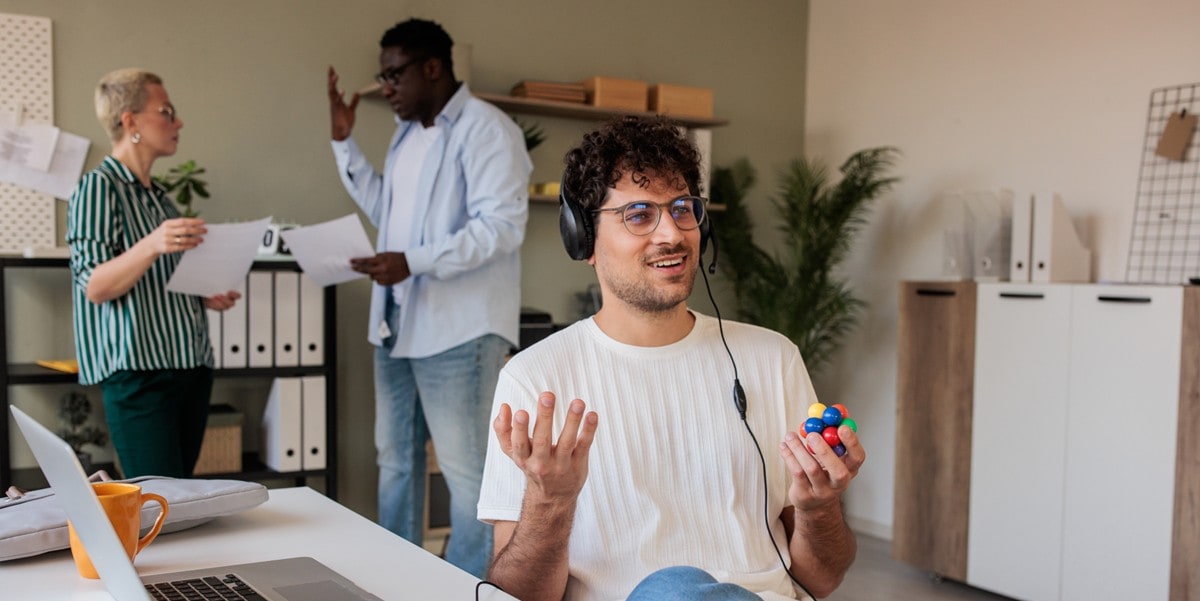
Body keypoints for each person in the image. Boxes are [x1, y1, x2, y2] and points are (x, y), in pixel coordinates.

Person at [478, 116, 866, 601]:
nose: (673, 234)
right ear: (583, 238)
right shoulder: (534, 380)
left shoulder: (773, 358)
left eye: (683, 209)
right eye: (639, 214)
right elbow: (516, 596)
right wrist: (550, 501)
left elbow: (822, 580)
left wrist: (818, 509)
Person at [326, 18, 530, 577]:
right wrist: (344, 143)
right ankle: (397, 579)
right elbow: (387, 211)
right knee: (395, 464)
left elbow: (502, 227)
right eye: (382, 76)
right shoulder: (406, 135)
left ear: (433, 68)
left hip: (459, 333)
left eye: (394, 75)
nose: (386, 87)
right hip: (396, 327)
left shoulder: (488, 130)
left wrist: (409, 262)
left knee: (468, 477)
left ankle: (459, 586)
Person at [68, 68, 241, 479]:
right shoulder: (98, 188)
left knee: (182, 503)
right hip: (140, 376)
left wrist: (204, 296)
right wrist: (152, 243)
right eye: (166, 112)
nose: (177, 122)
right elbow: (94, 285)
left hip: (191, 367)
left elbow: (157, 281)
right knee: (159, 507)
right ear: (130, 121)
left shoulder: (160, 200)